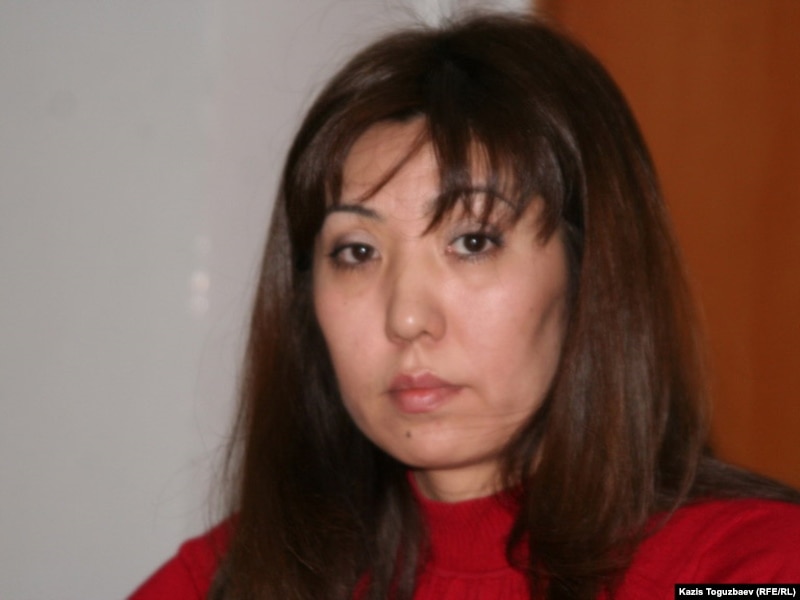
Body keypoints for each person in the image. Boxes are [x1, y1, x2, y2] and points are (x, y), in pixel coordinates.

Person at [130, 12, 800, 600]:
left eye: (473, 241)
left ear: (590, 272)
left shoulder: (749, 566)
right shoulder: (231, 578)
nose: (406, 318)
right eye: (357, 251)